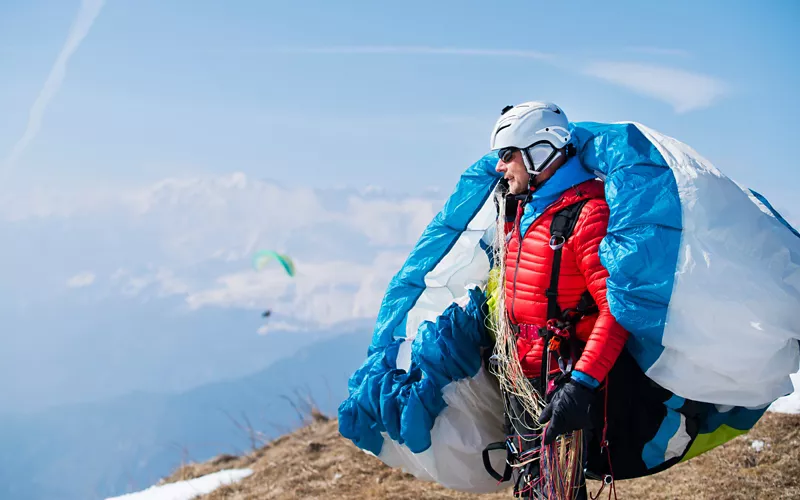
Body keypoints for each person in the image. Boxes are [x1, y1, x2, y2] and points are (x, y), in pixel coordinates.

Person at [489, 102, 630, 497]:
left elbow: (615, 311)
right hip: (521, 375)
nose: (500, 167)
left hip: (558, 381)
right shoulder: (525, 208)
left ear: (539, 151)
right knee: (531, 487)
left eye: (507, 155)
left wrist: (581, 385)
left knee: (555, 490)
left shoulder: (587, 216)